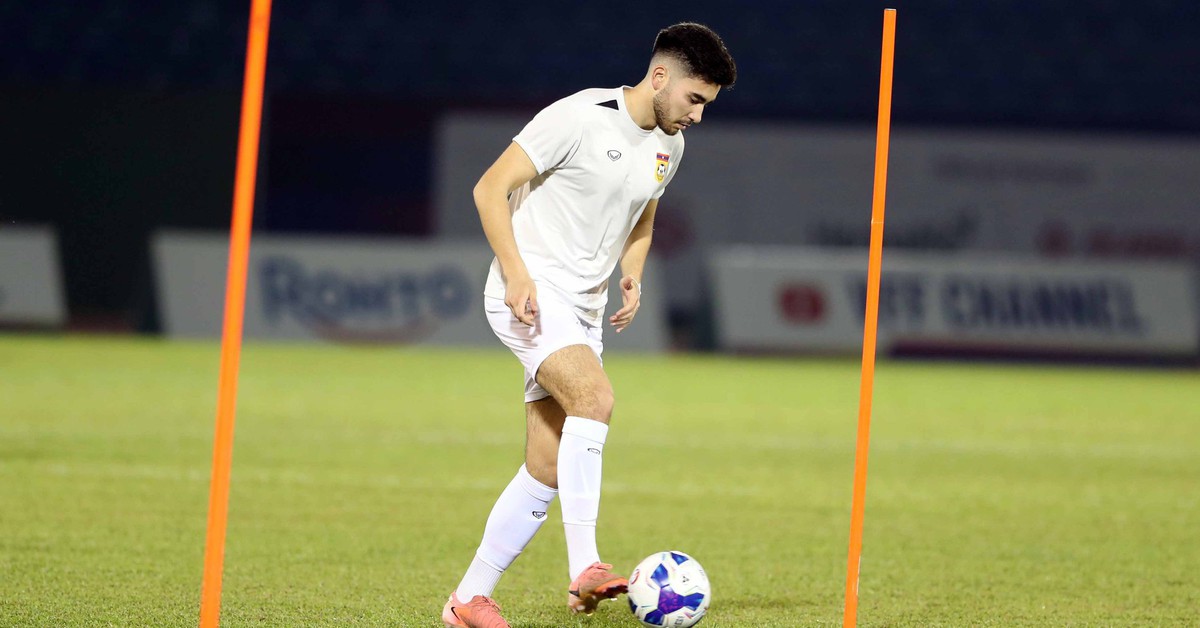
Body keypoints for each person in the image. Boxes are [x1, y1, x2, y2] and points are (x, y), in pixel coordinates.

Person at [442, 22, 737, 628]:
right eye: (694, 100)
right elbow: (489, 188)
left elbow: (643, 213)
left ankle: (468, 600)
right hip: (529, 293)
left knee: (547, 465)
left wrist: (632, 273)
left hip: (582, 309)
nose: (698, 117)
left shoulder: (670, 145)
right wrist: (515, 271)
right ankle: (587, 566)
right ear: (661, 77)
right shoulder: (577, 117)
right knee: (595, 399)